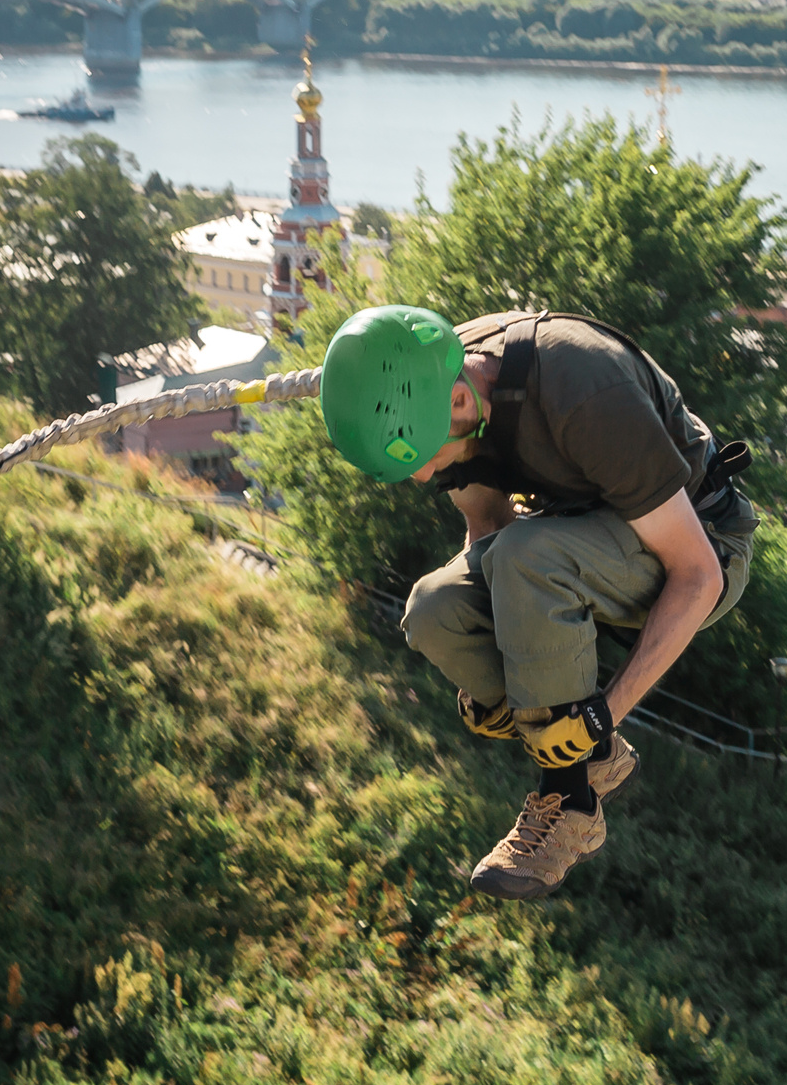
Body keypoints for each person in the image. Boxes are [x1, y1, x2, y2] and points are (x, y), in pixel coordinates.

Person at [317, 304, 754, 900]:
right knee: (433, 610)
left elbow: (697, 575)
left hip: (702, 545)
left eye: (422, 456)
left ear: (462, 404)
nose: (422, 477)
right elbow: (489, 527)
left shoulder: (582, 390)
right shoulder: (436, 386)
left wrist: (604, 712)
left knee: (529, 557)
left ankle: (569, 798)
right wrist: (501, 654)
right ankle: (587, 752)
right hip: (573, 537)